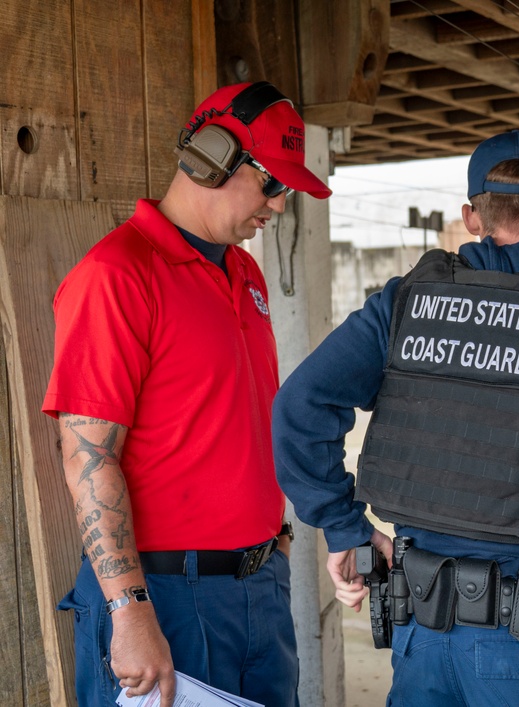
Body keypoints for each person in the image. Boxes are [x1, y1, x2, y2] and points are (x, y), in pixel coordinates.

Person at [272, 129, 519, 706]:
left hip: (421, 635)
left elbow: (299, 406)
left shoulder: (404, 302)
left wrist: (345, 526)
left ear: (470, 216)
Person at [43, 81, 332, 707]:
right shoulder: (116, 276)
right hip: (166, 598)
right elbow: (87, 458)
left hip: (256, 590)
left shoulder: (244, 270)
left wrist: (272, 540)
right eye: (272, 185)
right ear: (212, 156)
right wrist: (129, 610)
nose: (279, 207)